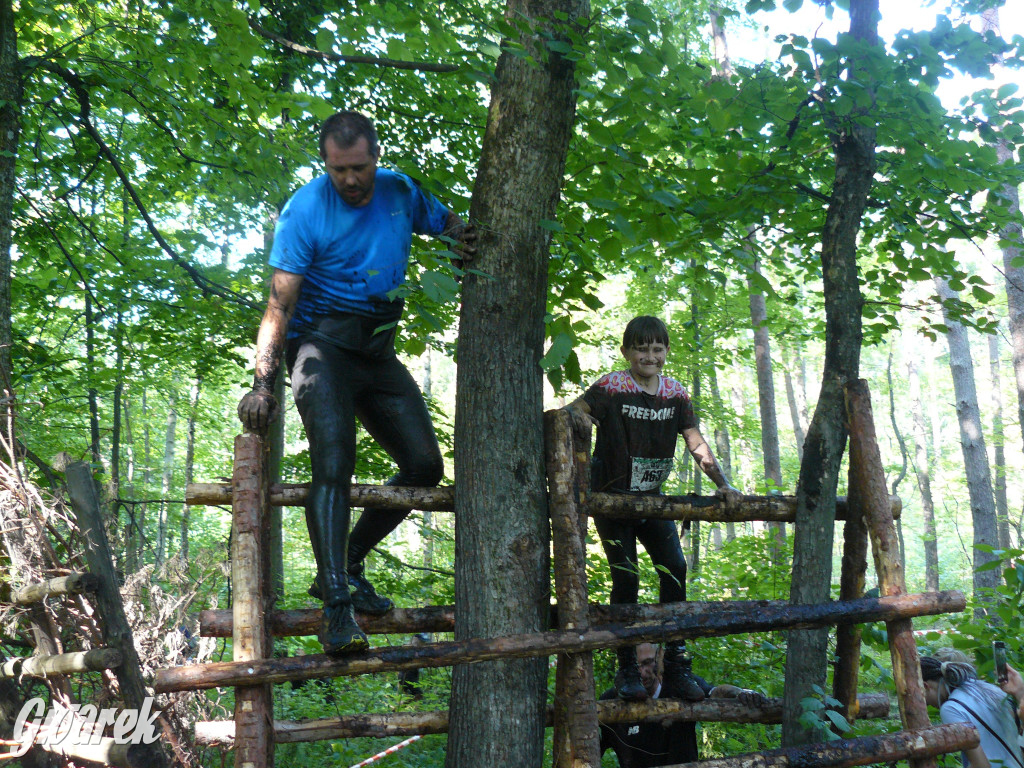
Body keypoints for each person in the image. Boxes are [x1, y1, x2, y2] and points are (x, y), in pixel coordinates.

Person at [237, 111, 474, 657]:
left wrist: (470, 247)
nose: (349, 179)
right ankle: (337, 610)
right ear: (326, 164)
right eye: (337, 169)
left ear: (375, 156)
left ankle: (346, 563)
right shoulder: (304, 211)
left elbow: (455, 229)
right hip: (319, 348)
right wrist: (263, 385)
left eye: (359, 167)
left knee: (424, 465)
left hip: (376, 350)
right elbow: (280, 303)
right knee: (334, 465)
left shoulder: (401, 192)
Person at [565, 316, 742, 702]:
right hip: (611, 498)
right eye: (641, 348)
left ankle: (676, 665)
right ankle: (627, 667)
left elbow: (694, 441)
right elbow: (573, 412)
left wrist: (722, 484)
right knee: (626, 577)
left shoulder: (675, 394)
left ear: (666, 352)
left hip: (652, 498)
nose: (650, 356)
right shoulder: (612, 386)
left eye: (657, 348)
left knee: (675, 568)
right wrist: (579, 433)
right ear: (627, 351)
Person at [598, 642, 766, 767]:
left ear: (660, 657)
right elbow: (593, 750)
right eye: (636, 665)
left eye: (648, 663)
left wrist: (741, 692)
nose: (642, 672)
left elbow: (714, 692)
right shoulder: (612, 701)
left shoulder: (682, 688)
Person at [921, 654, 1024, 768]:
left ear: (925, 686)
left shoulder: (950, 708)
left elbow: (981, 765)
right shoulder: (986, 688)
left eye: (926, 702)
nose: (928, 705)